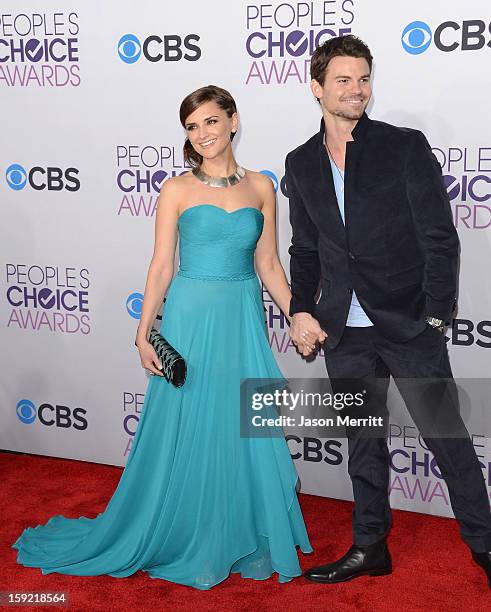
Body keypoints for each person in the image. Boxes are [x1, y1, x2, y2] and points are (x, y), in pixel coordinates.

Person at [12, 85, 313, 589]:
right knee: (186, 423)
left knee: (238, 423)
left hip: (240, 319)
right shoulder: (175, 189)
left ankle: (238, 529)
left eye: (211, 122)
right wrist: (144, 330)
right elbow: (161, 266)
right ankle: (179, 528)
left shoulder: (262, 186)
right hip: (190, 318)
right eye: (192, 127)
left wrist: (297, 314)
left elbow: (268, 264)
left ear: (233, 121)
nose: (202, 135)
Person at [285, 35, 491, 587]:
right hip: (343, 333)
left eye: (364, 79)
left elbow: (439, 238)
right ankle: (370, 545)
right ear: (317, 88)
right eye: (344, 80)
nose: (357, 90)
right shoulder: (300, 163)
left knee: (447, 439)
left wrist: (434, 317)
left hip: (407, 324)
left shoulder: (403, 146)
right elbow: (304, 250)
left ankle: (486, 544)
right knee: (363, 444)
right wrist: (301, 308)